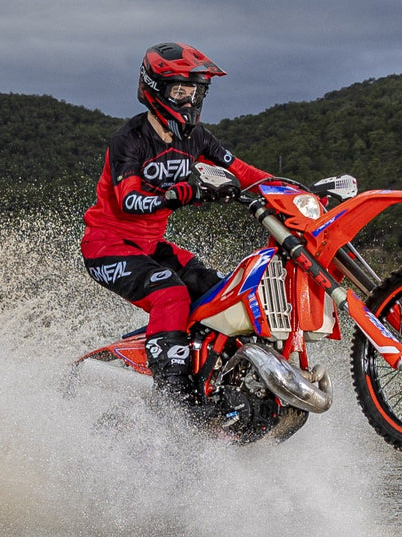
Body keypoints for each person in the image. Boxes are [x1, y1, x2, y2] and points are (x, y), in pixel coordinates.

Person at [79, 42, 280, 421]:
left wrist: (294, 192)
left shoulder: (196, 137)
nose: (189, 100)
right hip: (106, 246)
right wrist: (177, 194)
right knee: (170, 293)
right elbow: (129, 200)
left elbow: (243, 173)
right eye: (180, 91)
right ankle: (174, 397)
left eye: (196, 92)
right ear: (155, 89)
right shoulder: (129, 139)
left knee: (221, 291)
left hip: (149, 245)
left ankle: (223, 383)